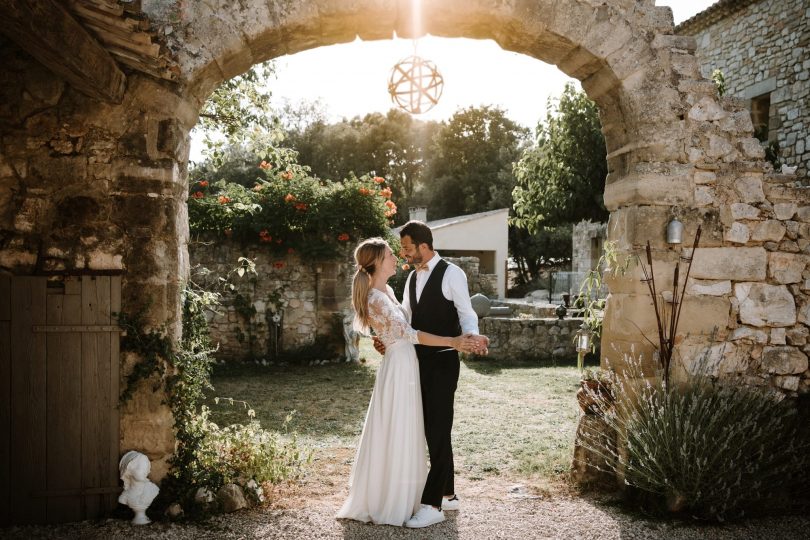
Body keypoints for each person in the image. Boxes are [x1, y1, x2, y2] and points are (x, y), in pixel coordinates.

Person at [336, 237, 479, 527]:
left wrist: (387, 340)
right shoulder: (375, 297)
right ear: (376, 262)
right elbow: (408, 332)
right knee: (398, 426)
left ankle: (429, 495)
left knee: (409, 427)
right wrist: (452, 341)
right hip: (400, 365)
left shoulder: (387, 290)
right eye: (390, 254)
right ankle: (392, 499)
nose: (396, 258)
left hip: (406, 361)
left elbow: (398, 329)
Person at [376, 220, 489, 529]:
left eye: (408, 248)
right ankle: (450, 495)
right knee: (430, 429)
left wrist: (472, 337)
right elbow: (408, 322)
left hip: (443, 362)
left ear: (424, 246)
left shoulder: (453, 274)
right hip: (415, 363)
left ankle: (432, 504)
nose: (404, 254)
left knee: (438, 430)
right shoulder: (411, 278)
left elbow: (466, 313)